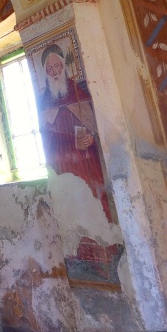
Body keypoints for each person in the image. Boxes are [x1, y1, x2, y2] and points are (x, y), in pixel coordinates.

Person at [36, 43, 111, 221]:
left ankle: (106, 244)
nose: (54, 71)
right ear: (46, 72)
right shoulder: (44, 100)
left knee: (93, 200)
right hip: (61, 160)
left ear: (63, 67)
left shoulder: (77, 92)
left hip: (85, 160)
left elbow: (94, 126)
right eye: (50, 68)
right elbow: (43, 134)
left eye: (57, 66)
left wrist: (91, 138)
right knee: (70, 204)